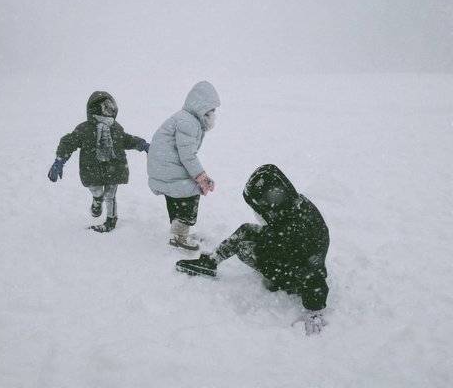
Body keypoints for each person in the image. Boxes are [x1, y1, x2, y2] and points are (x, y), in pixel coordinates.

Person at [176, 164, 330, 335]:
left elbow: (315, 274)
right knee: (246, 230)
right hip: (284, 248)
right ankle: (212, 262)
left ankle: (274, 282)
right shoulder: (291, 207)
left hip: (290, 273)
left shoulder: (298, 232)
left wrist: (313, 310)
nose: (257, 214)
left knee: (243, 246)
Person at [47, 91, 149, 232]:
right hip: (92, 168)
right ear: (97, 108)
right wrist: (60, 160)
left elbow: (126, 139)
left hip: (114, 166)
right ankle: (97, 198)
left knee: (110, 195)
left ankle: (111, 220)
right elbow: (68, 142)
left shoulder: (115, 127)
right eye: (108, 108)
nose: (111, 111)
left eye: (113, 108)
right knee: (96, 190)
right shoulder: (85, 129)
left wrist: (142, 144)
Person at [147, 80, 221, 250]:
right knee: (191, 192)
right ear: (202, 107)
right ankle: (180, 236)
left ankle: (178, 233)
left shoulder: (185, 118)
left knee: (176, 196)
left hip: (163, 169)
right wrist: (201, 177)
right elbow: (187, 155)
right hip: (168, 168)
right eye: (212, 110)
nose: (214, 114)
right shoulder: (189, 122)